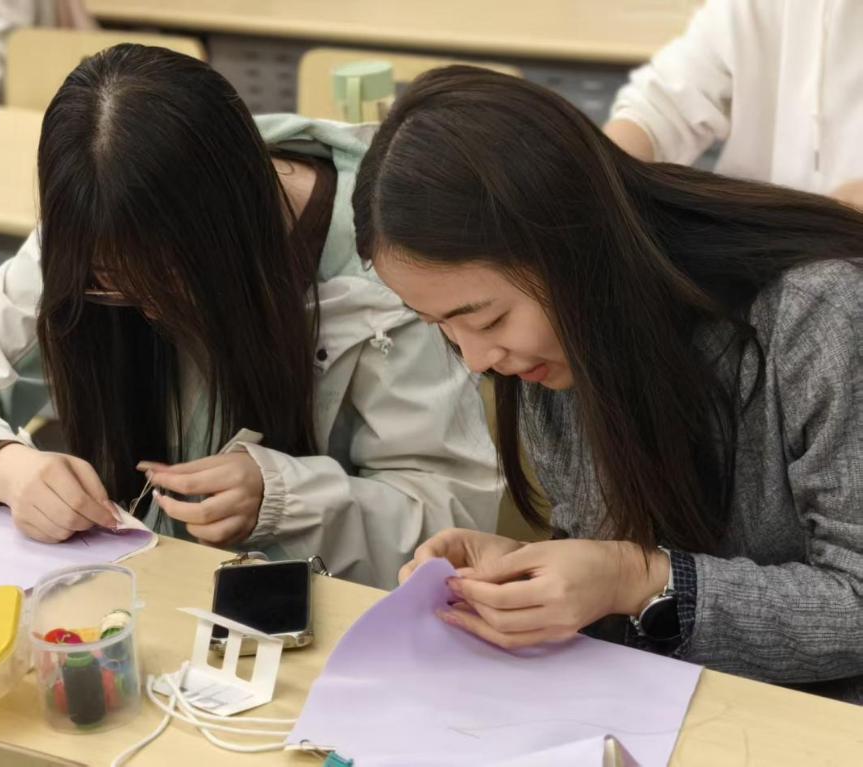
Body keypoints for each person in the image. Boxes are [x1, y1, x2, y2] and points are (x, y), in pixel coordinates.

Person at [0, 46, 500, 589]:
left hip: (316, 614)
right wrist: (3, 466)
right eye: (112, 286)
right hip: (147, 586)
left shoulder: (384, 263)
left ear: (231, 227)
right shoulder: (99, 228)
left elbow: (454, 519)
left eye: (169, 281)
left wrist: (284, 498)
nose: (149, 308)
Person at [354, 66, 863, 701]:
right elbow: (606, 547)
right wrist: (526, 579)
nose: (477, 360)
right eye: (443, 328)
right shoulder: (555, 350)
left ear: (574, 249)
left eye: (485, 319)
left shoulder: (822, 313)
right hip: (684, 709)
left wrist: (637, 579)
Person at [604, 0, 863, 209]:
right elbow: (661, 105)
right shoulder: (749, 7)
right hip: (761, 238)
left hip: (808, 242)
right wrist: (604, 173)